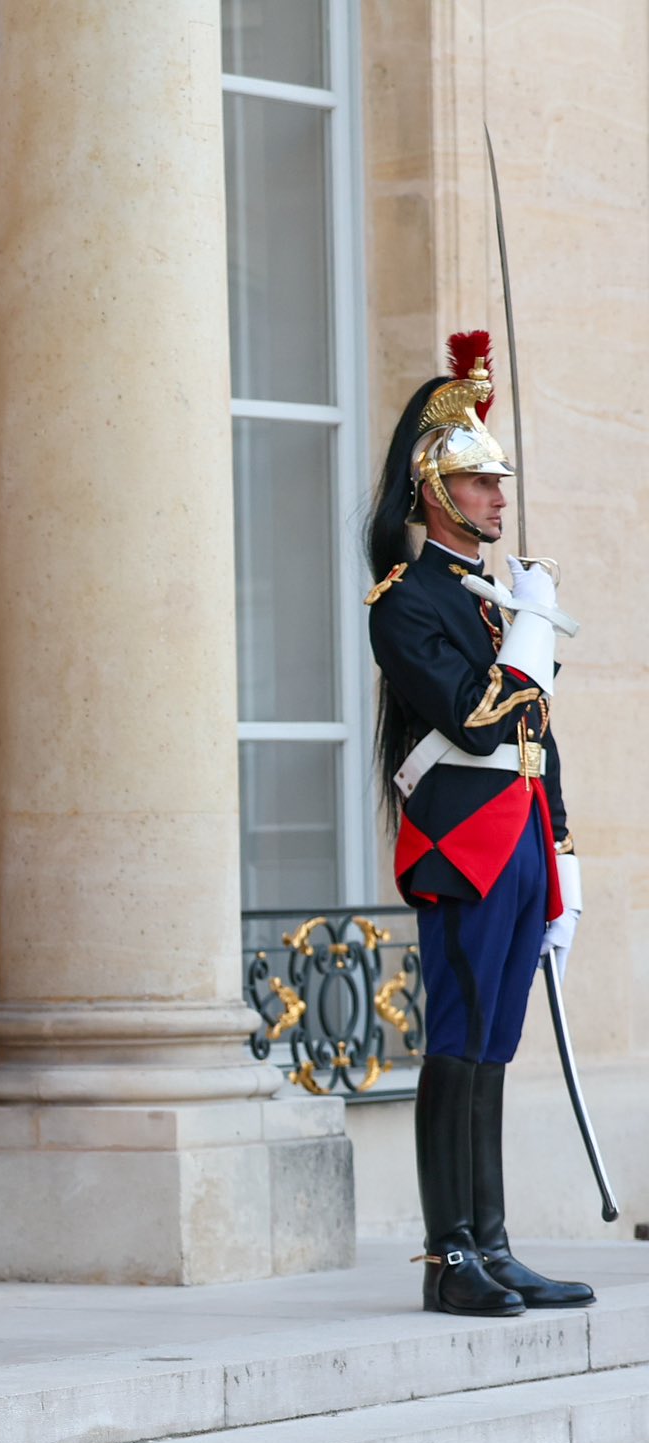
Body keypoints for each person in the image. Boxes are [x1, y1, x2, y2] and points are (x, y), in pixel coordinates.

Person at [365, 331, 593, 1318]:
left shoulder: (501, 601)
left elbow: (536, 735)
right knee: (454, 1038)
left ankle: (490, 1241)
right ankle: (444, 1253)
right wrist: (534, 631)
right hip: (458, 846)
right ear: (431, 490)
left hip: (518, 839)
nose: (496, 496)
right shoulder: (406, 601)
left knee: (494, 1042)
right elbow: (467, 714)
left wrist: (564, 856)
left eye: (495, 481)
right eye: (476, 482)